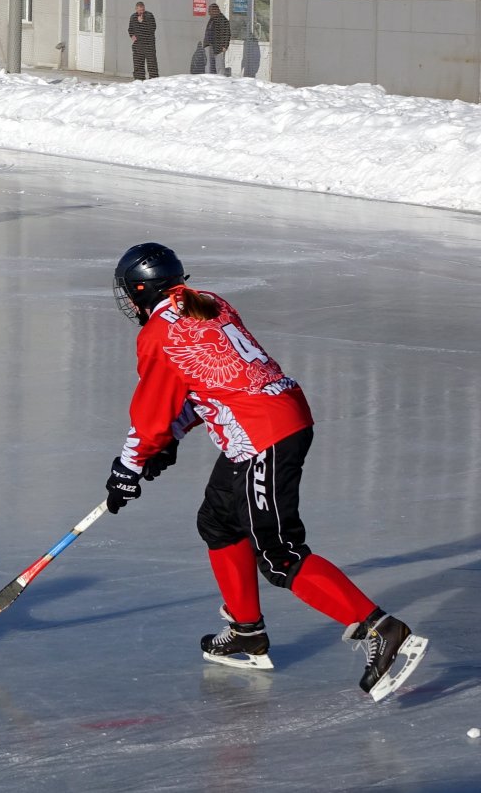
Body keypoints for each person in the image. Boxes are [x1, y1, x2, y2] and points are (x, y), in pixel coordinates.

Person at [104, 242, 428, 703]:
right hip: (273, 420)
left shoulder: (159, 333)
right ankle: (246, 632)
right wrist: (170, 440)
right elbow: (215, 383)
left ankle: (383, 629)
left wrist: (129, 466)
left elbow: (154, 413)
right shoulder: (209, 302)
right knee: (218, 521)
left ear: (140, 289)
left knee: (279, 553)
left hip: (264, 438)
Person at [127, 1, 158, 81]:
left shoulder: (149, 16)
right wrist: (132, 35)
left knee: (152, 65)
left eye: (143, 10)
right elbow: (130, 29)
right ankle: (139, 80)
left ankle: (153, 81)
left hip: (149, 45)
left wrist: (142, 21)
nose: (141, 12)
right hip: (138, 45)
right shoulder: (133, 17)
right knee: (138, 65)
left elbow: (153, 28)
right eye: (140, 10)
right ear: (136, 9)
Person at [204, 3, 231, 76]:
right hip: (209, 45)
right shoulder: (212, 19)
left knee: (219, 65)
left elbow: (227, 34)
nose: (209, 13)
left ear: (215, 11)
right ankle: (208, 78)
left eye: (210, 11)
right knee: (208, 64)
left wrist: (225, 46)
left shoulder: (223, 20)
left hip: (219, 46)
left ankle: (220, 79)